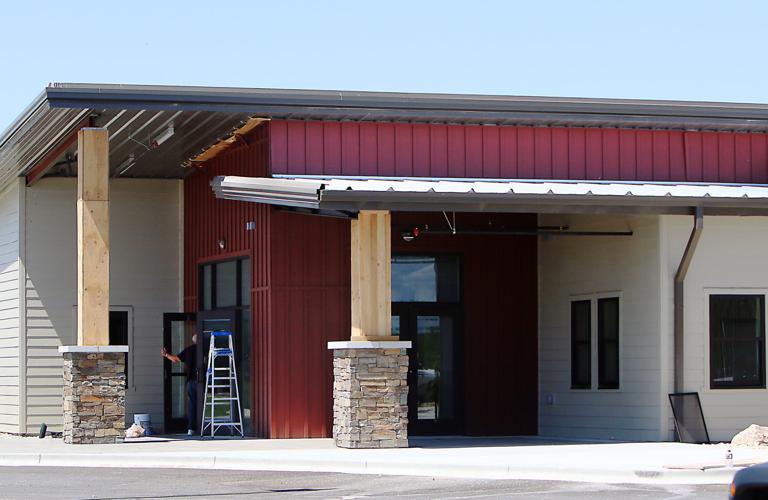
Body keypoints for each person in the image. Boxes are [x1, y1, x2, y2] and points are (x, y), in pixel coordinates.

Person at [161, 334, 198, 436]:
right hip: (204, 381)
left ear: (193, 341)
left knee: (192, 405)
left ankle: (192, 428)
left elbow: (175, 359)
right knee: (204, 404)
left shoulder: (189, 350)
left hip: (192, 381)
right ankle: (206, 427)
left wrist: (166, 354)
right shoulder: (207, 349)